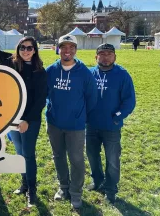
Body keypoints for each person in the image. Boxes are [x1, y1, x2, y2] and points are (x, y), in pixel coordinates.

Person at [0, 22, 47, 207]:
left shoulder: (40, 71)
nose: (26, 51)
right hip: (12, 119)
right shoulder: (10, 62)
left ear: (35, 50)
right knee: (20, 154)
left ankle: (32, 190)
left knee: (28, 155)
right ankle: (24, 184)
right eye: (23, 47)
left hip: (30, 121)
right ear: (18, 48)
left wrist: (27, 120)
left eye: (30, 48)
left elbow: (40, 100)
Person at [45, 34, 97, 209]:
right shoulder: (51, 71)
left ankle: (76, 192)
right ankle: (63, 187)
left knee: (76, 159)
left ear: (75, 49)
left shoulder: (85, 73)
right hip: (54, 123)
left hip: (75, 125)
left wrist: (79, 116)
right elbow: (43, 94)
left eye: (71, 47)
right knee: (58, 156)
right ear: (58, 49)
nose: (67, 51)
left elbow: (92, 99)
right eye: (63, 47)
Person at [86, 43, 136, 204]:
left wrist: (117, 117)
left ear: (115, 56)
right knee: (92, 156)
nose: (105, 57)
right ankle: (98, 180)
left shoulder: (122, 75)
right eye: (102, 54)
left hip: (111, 126)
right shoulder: (90, 74)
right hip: (91, 125)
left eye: (109, 54)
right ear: (96, 57)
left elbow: (129, 101)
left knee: (113, 159)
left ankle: (111, 189)